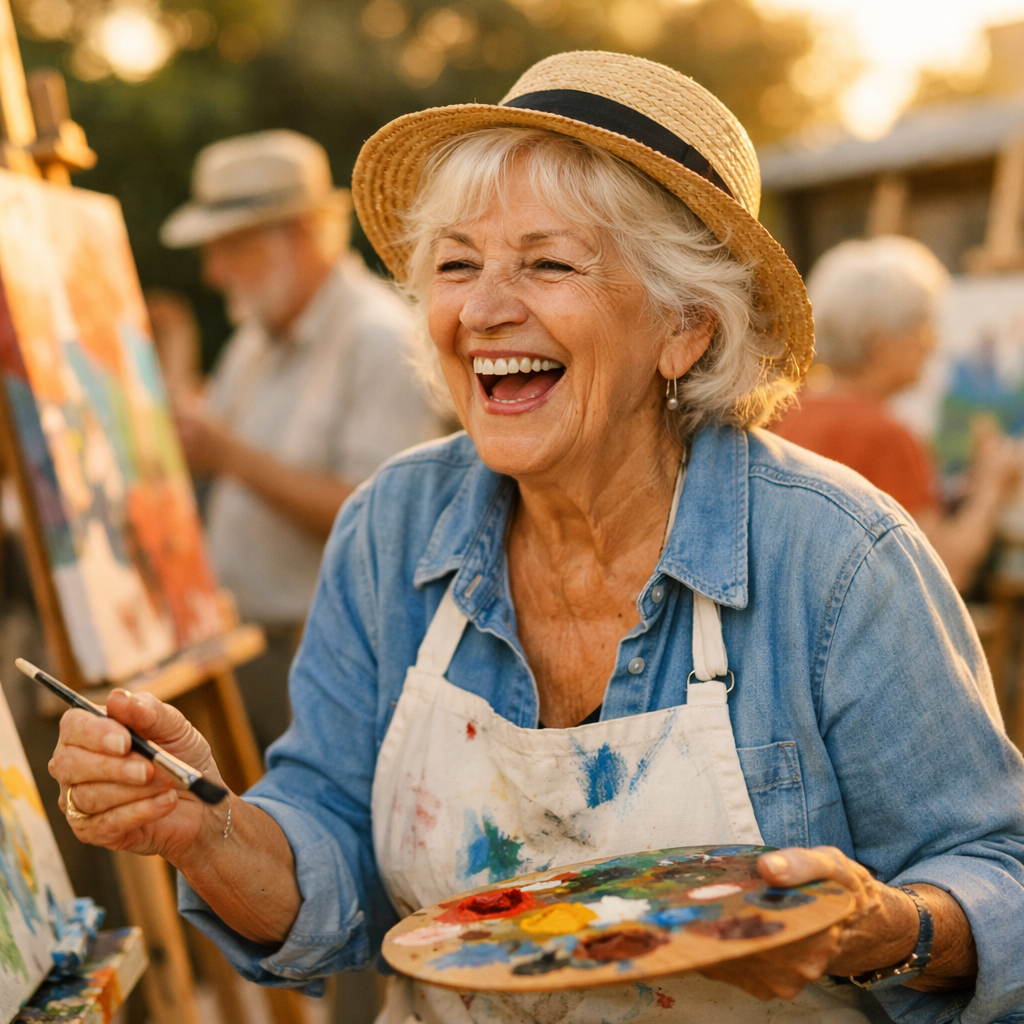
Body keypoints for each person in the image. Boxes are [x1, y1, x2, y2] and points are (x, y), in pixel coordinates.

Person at [49, 52, 1024, 1024]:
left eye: (548, 263)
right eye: (457, 263)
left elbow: (999, 873)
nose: (479, 309)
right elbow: (332, 844)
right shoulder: (393, 527)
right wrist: (204, 828)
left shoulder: (837, 556)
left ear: (683, 327)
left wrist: (886, 926)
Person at [159, 129, 437, 751]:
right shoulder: (256, 338)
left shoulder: (379, 338)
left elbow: (380, 518)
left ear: (303, 235)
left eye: (232, 246)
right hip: (241, 649)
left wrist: (228, 454)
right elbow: (204, 448)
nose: (214, 270)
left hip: (322, 662)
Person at [773, 236, 1023, 592]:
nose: (933, 342)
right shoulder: (884, 434)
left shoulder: (793, 406)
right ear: (877, 340)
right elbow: (944, 572)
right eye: (921, 325)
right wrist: (992, 489)